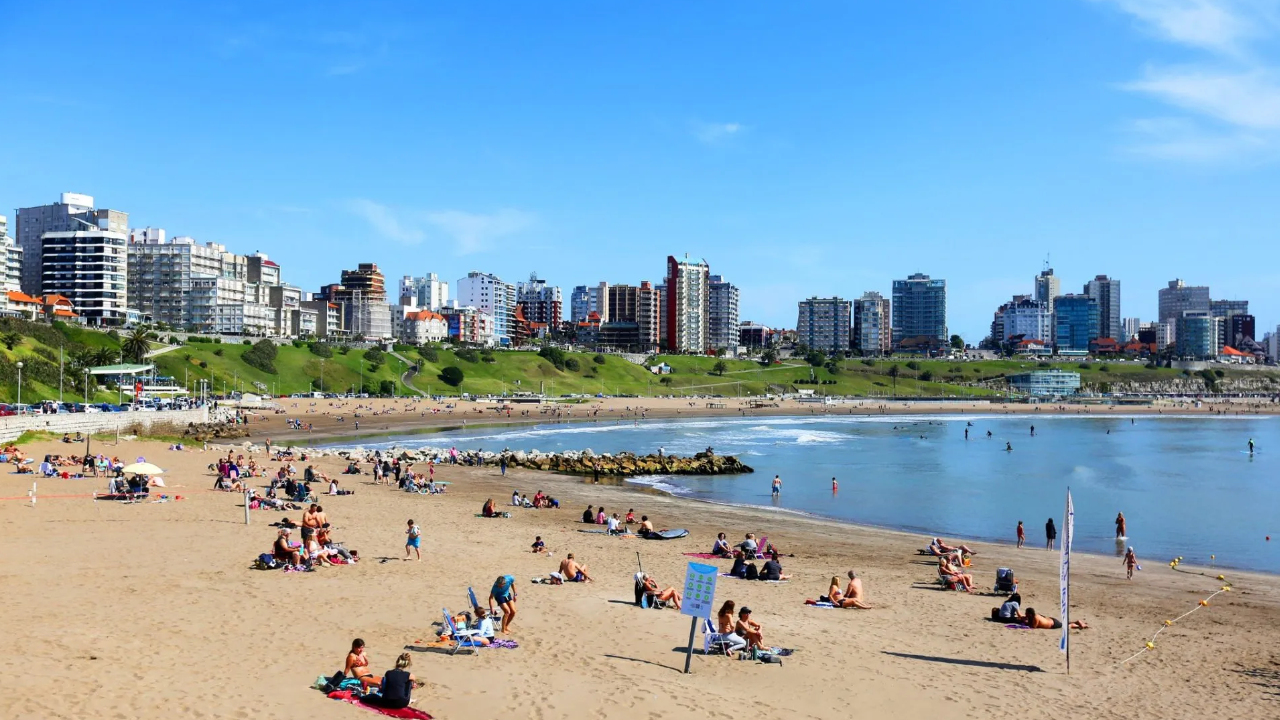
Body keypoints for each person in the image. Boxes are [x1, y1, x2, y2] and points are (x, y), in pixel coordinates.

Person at [1023, 607, 1088, 630]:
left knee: (1067, 626)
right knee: (1063, 624)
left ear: (1030, 614)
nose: (1025, 614)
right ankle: (1076, 622)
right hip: (1051, 620)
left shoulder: (1035, 618)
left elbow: (1033, 627)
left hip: (1053, 624)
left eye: (1026, 613)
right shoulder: (1036, 615)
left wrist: (1025, 622)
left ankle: (1077, 625)